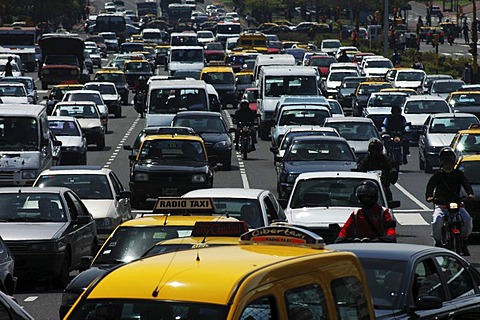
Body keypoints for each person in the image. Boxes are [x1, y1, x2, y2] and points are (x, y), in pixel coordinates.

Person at [425, 147, 474, 256]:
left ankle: (464, 241)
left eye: (450, 162)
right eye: (445, 162)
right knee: (437, 220)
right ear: (441, 163)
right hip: (442, 205)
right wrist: (429, 197)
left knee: (467, 219)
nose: (448, 165)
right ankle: (438, 241)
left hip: (457, 203)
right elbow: (430, 186)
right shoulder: (438, 175)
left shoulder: (459, 174)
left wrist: (470, 194)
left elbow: (466, 183)